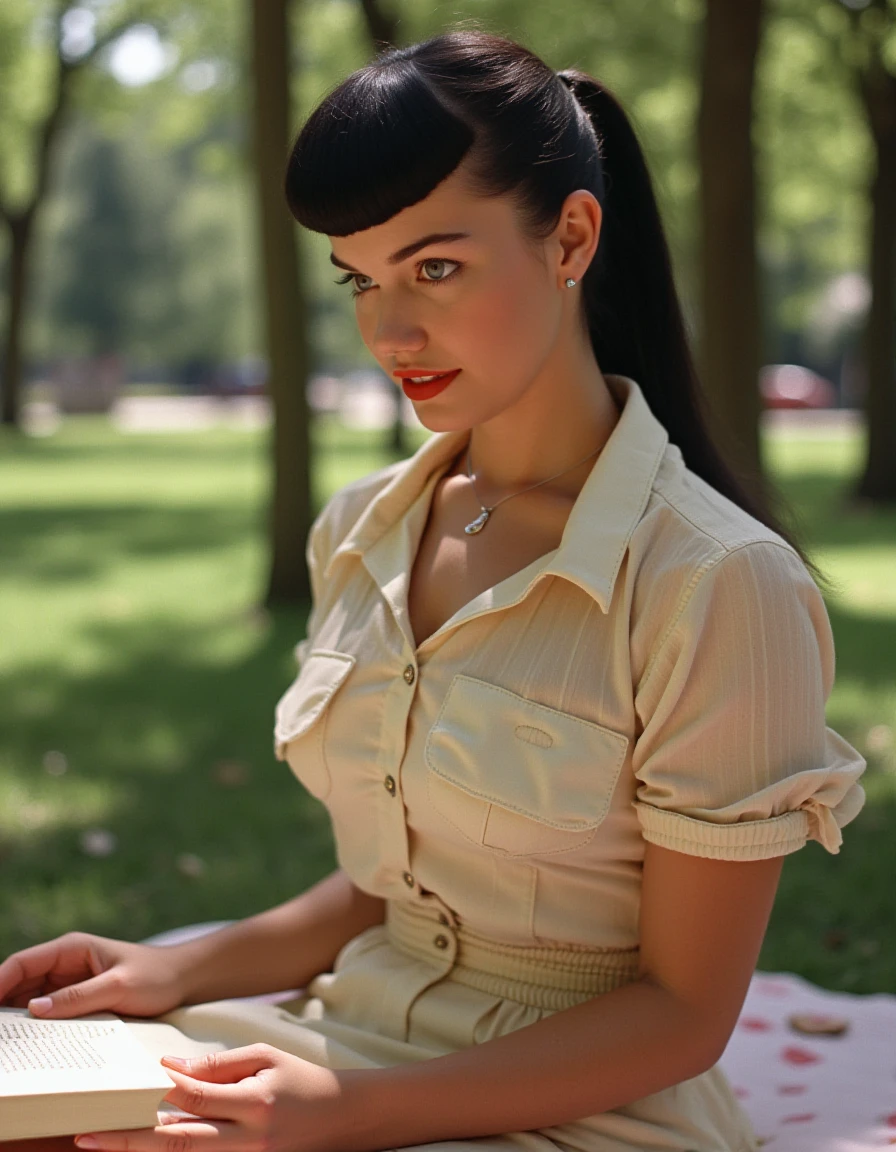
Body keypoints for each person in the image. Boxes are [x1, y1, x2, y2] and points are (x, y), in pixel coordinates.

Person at [0, 29, 867, 1152]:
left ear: (570, 236)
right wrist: (171, 966)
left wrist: (348, 1115)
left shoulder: (712, 583)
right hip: (341, 1035)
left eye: (436, 268)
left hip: (582, 1109)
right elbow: (392, 891)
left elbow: (682, 1014)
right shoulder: (361, 531)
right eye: (360, 279)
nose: (388, 330)